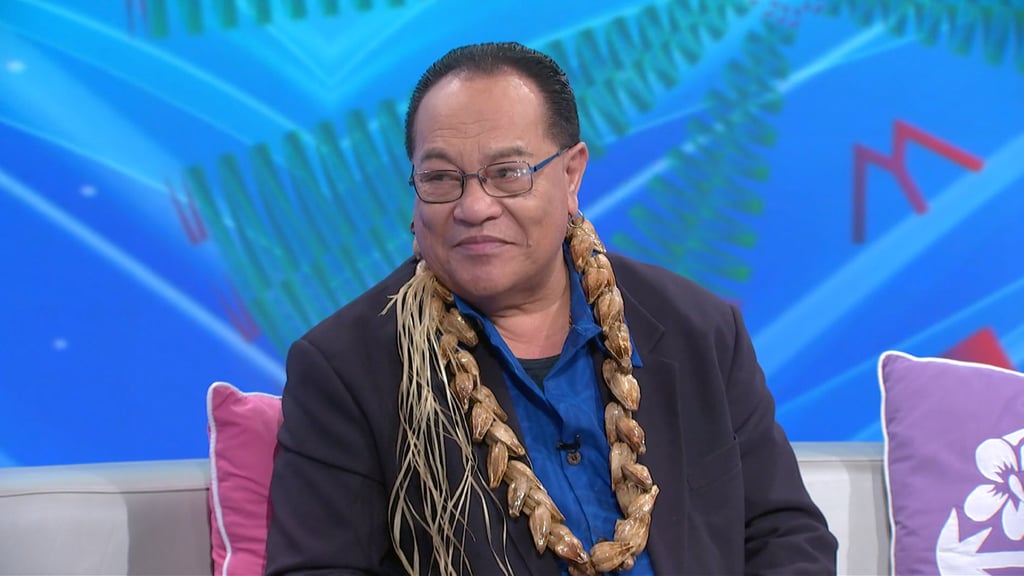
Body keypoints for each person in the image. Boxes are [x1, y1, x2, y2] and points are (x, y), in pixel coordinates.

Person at [265, 41, 837, 576]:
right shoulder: (345, 370)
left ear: (571, 174)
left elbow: (785, 536)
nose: (474, 207)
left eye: (507, 174)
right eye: (440, 178)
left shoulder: (699, 330)